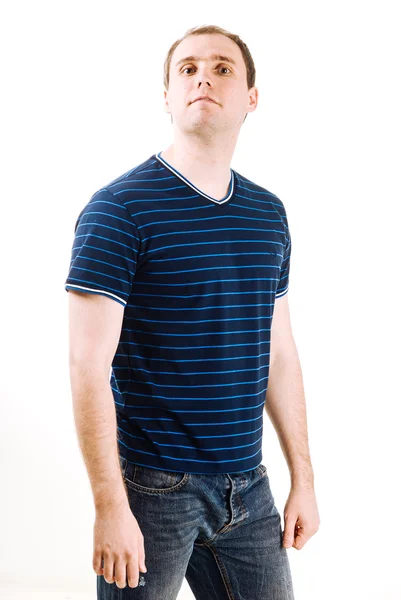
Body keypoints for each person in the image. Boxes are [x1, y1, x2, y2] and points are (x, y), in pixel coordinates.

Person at [65, 24, 320, 599]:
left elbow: (279, 352)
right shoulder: (118, 210)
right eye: (187, 68)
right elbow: (87, 367)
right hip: (154, 490)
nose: (204, 75)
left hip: (248, 488)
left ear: (251, 98)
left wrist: (302, 480)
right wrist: (110, 507)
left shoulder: (268, 214)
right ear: (167, 96)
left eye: (223, 67)